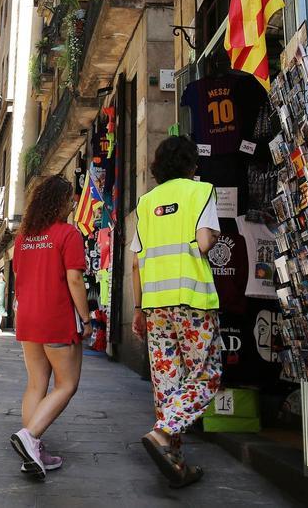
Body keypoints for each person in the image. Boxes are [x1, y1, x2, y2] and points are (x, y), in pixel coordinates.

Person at [131, 136, 222, 488]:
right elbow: (205, 242)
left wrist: (137, 308)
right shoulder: (200, 192)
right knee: (204, 376)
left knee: (168, 385)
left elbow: (136, 263)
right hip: (192, 300)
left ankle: (176, 464)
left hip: (155, 304)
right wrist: (213, 236)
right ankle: (163, 432)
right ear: (191, 164)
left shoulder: (146, 203)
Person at [8, 175, 92, 479]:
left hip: (28, 317)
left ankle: (31, 450)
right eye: (70, 200)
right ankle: (29, 438)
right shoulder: (68, 234)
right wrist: (86, 318)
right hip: (56, 317)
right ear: (60, 203)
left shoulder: (23, 237)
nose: (73, 205)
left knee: (36, 384)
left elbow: (19, 276)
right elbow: (74, 279)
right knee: (66, 385)